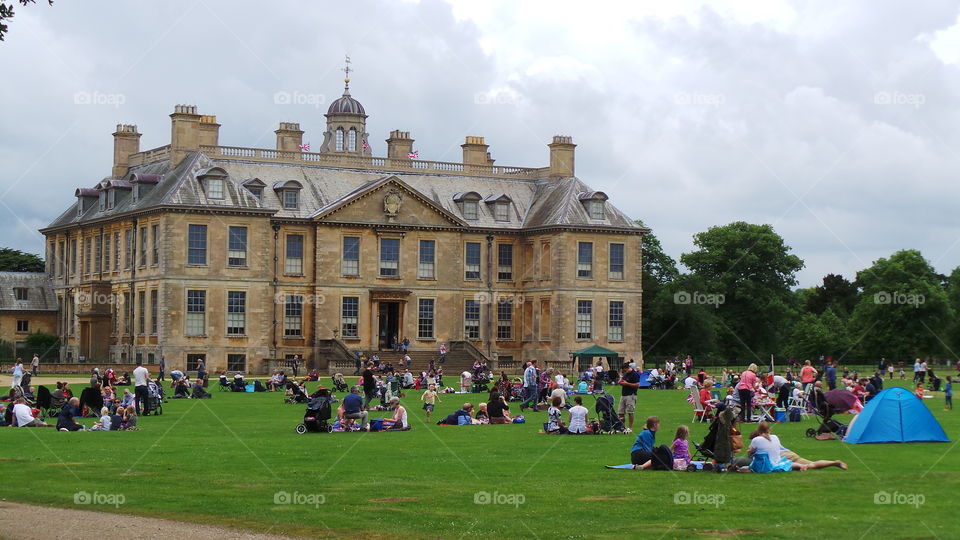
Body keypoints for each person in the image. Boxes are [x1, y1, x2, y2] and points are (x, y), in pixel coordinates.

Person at [618, 364, 639, 433]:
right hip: (623, 394)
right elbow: (623, 381)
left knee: (630, 412)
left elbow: (637, 385)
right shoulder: (625, 374)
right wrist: (620, 382)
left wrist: (627, 384)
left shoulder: (634, 374)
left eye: (623, 370)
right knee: (620, 412)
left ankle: (630, 428)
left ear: (627, 368)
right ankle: (622, 427)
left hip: (631, 395)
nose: (623, 372)